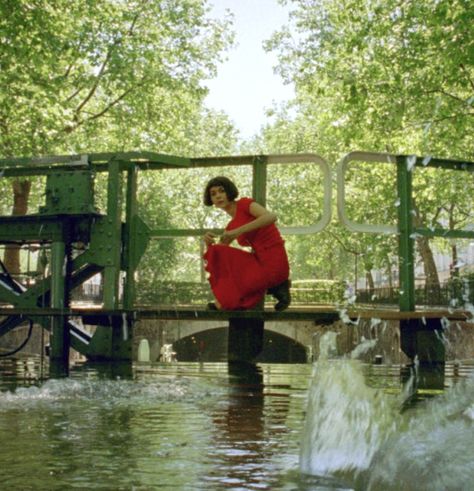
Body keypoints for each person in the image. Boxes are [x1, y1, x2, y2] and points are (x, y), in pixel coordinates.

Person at [202, 176, 291, 311]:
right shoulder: (231, 226)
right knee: (217, 252)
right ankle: (274, 287)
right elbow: (219, 253)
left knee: (240, 289)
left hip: (274, 259)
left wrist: (238, 231)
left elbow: (271, 217)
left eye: (221, 191)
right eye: (213, 194)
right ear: (211, 200)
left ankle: (279, 285)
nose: (218, 196)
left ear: (229, 192)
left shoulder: (244, 204)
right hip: (258, 260)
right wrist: (208, 243)